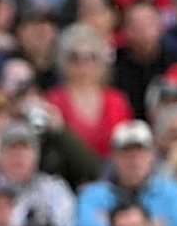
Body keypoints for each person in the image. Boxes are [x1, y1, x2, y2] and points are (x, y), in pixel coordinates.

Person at [77, 120, 177, 226]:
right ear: (114, 157)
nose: (134, 161)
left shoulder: (174, 192)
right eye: (126, 154)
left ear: (152, 156)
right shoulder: (92, 195)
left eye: (140, 153)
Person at [46, 23, 133, 157]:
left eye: (91, 57)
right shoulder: (54, 100)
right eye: (75, 57)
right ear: (63, 61)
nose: (83, 65)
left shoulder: (117, 101)